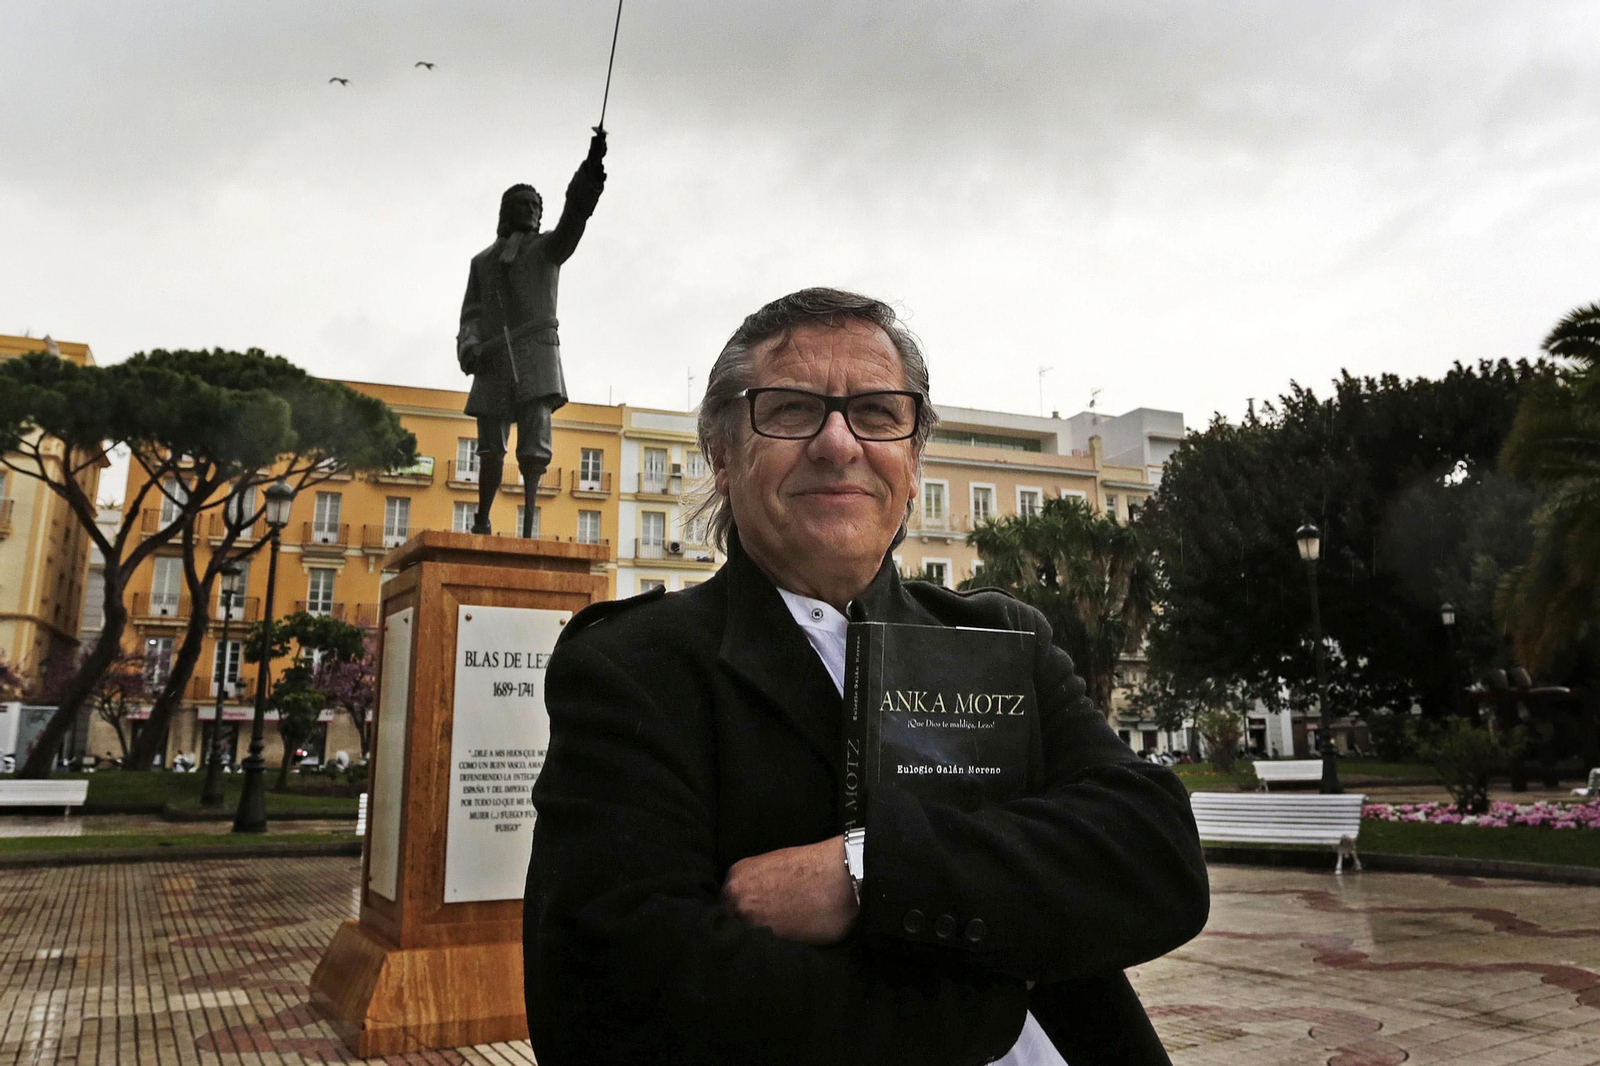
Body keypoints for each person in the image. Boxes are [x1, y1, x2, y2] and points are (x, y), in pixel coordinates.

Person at [524, 288, 1209, 1066]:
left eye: (878, 414)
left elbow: (1154, 857)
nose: (838, 443)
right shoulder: (636, 667)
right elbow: (615, 996)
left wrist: (866, 871)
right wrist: (981, 1006)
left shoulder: (1000, 638)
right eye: (789, 410)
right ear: (721, 454)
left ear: (913, 460)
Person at [456, 130, 608, 536]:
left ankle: (527, 524)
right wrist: (469, 345)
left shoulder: (548, 249)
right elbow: (471, 312)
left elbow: (575, 216)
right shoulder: (482, 262)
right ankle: (482, 519)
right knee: (490, 446)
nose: (531, 209)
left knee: (534, 447)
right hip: (492, 357)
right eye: (522, 204)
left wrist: (590, 173)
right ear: (507, 211)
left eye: (535, 205)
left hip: (536, 355)